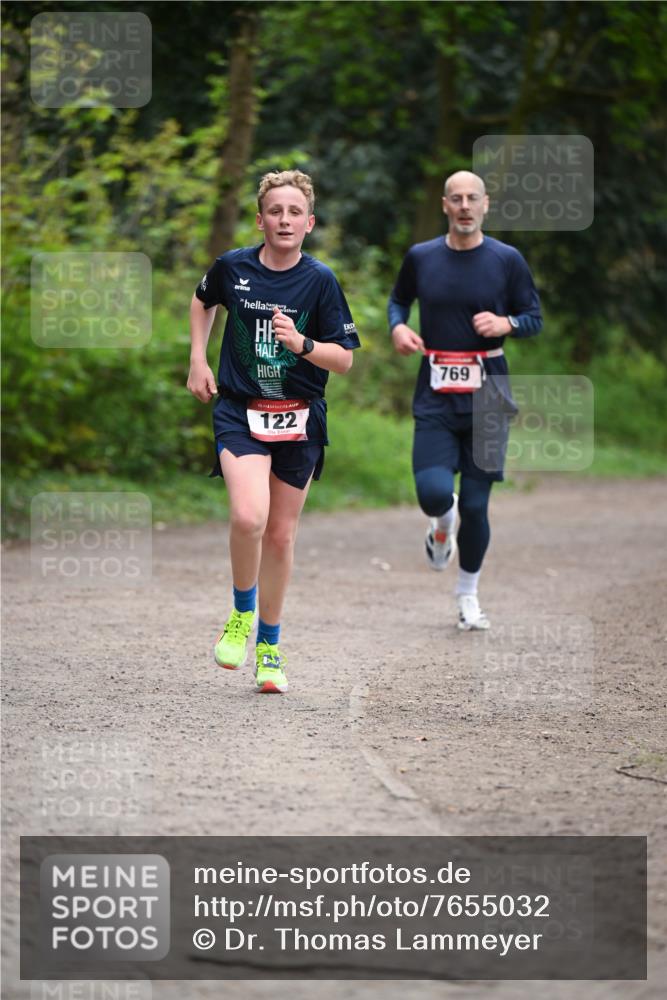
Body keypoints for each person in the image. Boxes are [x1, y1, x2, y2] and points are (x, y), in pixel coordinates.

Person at [188, 169, 360, 692]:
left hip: (299, 416)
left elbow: (345, 360)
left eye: (294, 213)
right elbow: (203, 301)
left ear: (308, 223)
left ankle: (269, 648)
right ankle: (241, 613)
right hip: (240, 410)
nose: (284, 220)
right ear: (260, 219)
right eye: (275, 211)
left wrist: (302, 344)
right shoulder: (233, 267)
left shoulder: (321, 280)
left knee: (281, 535)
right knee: (247, 516)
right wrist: (198, 357)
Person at [388, 170, 542, 630]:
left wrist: (507, 324)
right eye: (456, 198)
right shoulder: (421, 257)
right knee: (434, 493)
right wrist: (398, 326)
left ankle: (468, 594)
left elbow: (533, 316)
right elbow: (398, 301)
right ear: (444, 205)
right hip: (435, 390)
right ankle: (441, 524)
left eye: (472, 198)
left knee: (477, 505)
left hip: (489, 394)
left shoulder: (507, 259)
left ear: (485, 204)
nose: (464, 206)